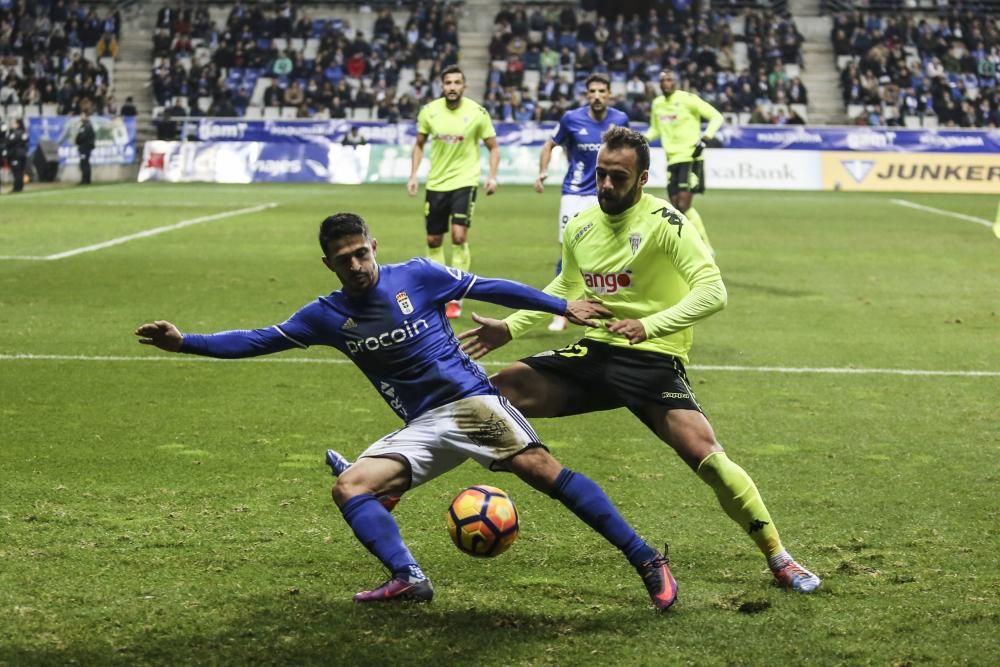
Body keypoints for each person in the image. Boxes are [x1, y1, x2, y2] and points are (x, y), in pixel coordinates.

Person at [134, 212, 678, 611]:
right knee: (350, 487)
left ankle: (646, 557)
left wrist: (561, 305)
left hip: (468, 404)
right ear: (329, 263)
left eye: (361, 253)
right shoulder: (326, 316)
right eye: (343, 259)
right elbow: (257, 340)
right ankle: (407, 576)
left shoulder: (416, 276)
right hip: (421, 425)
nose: (355, 265)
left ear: (374, 246)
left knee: (542, 471)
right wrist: (185, 342)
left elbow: (488, 285)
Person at [457, 127, 822, 595]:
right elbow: (564, 290)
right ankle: (391, 479)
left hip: (653, 359)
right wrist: (510, 327)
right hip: (596, 353)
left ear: (642, 178)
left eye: (619, 178)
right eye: (601, 174)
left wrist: (650, 326)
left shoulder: (667, 224)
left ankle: (780, 557)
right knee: (489, 397)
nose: (606, 185)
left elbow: (714, 292)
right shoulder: (582, 226)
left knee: (707, 458)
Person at [534, 73, 630, 331]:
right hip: (574, 194)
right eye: (593, 91)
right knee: (569, 253)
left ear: (609, 94)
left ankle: (605, 307)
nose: (597, 95)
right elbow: (549, 145)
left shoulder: (620, 120)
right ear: (587, 94)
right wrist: (542, 172)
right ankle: (560, 312)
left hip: (607, 194)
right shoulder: (571, 119)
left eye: (602, 91)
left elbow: (629, 154)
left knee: (610, 253)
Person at [407, 65, 500, 320]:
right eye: (448, 82)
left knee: (459, 237)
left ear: (464, 86)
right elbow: (418, 144)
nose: (452, 87)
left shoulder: (477, 113)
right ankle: (437, 290)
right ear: (442, 85)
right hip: (436, 184)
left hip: (465, 181)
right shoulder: (429, 112)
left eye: (457, 82)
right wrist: (414, 175)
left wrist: (492, 176)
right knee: (433, 240)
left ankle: (455, 295)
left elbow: (493, 147)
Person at [645, 70, 723, 255]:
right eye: (662, 80)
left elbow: (716, 117)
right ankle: (688, 245)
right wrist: (641, 138)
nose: (666, 83)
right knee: (675, 206)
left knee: (683, 205)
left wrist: (705, 139)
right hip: (672, 160)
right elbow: (655, 130)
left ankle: (705, 247)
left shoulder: (688, 99)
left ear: (676, 82)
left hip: (691, 157)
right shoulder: (658, 104)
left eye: (669, 79)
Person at [5, 119, 28, 193]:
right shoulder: (24, 133)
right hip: (23, 154)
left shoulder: (15, 133)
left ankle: (16, 188)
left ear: (18, 124)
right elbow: (26, 142)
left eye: (14, 123)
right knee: (21, 171)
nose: (12, 125)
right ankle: (20, 187)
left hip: (16, 155)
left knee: (16, 172)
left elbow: (9, 142)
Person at [76, 112, 96, 185]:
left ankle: (85, 180)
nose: (81, 117)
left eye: (82, 116)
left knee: (84, 163)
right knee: (84, 163)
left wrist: (78, 141)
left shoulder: (87, 126)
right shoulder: (84, 126)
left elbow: (83, 137)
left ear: (87, 117)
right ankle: (86, 179)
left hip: (85, 147)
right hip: (84, 147)